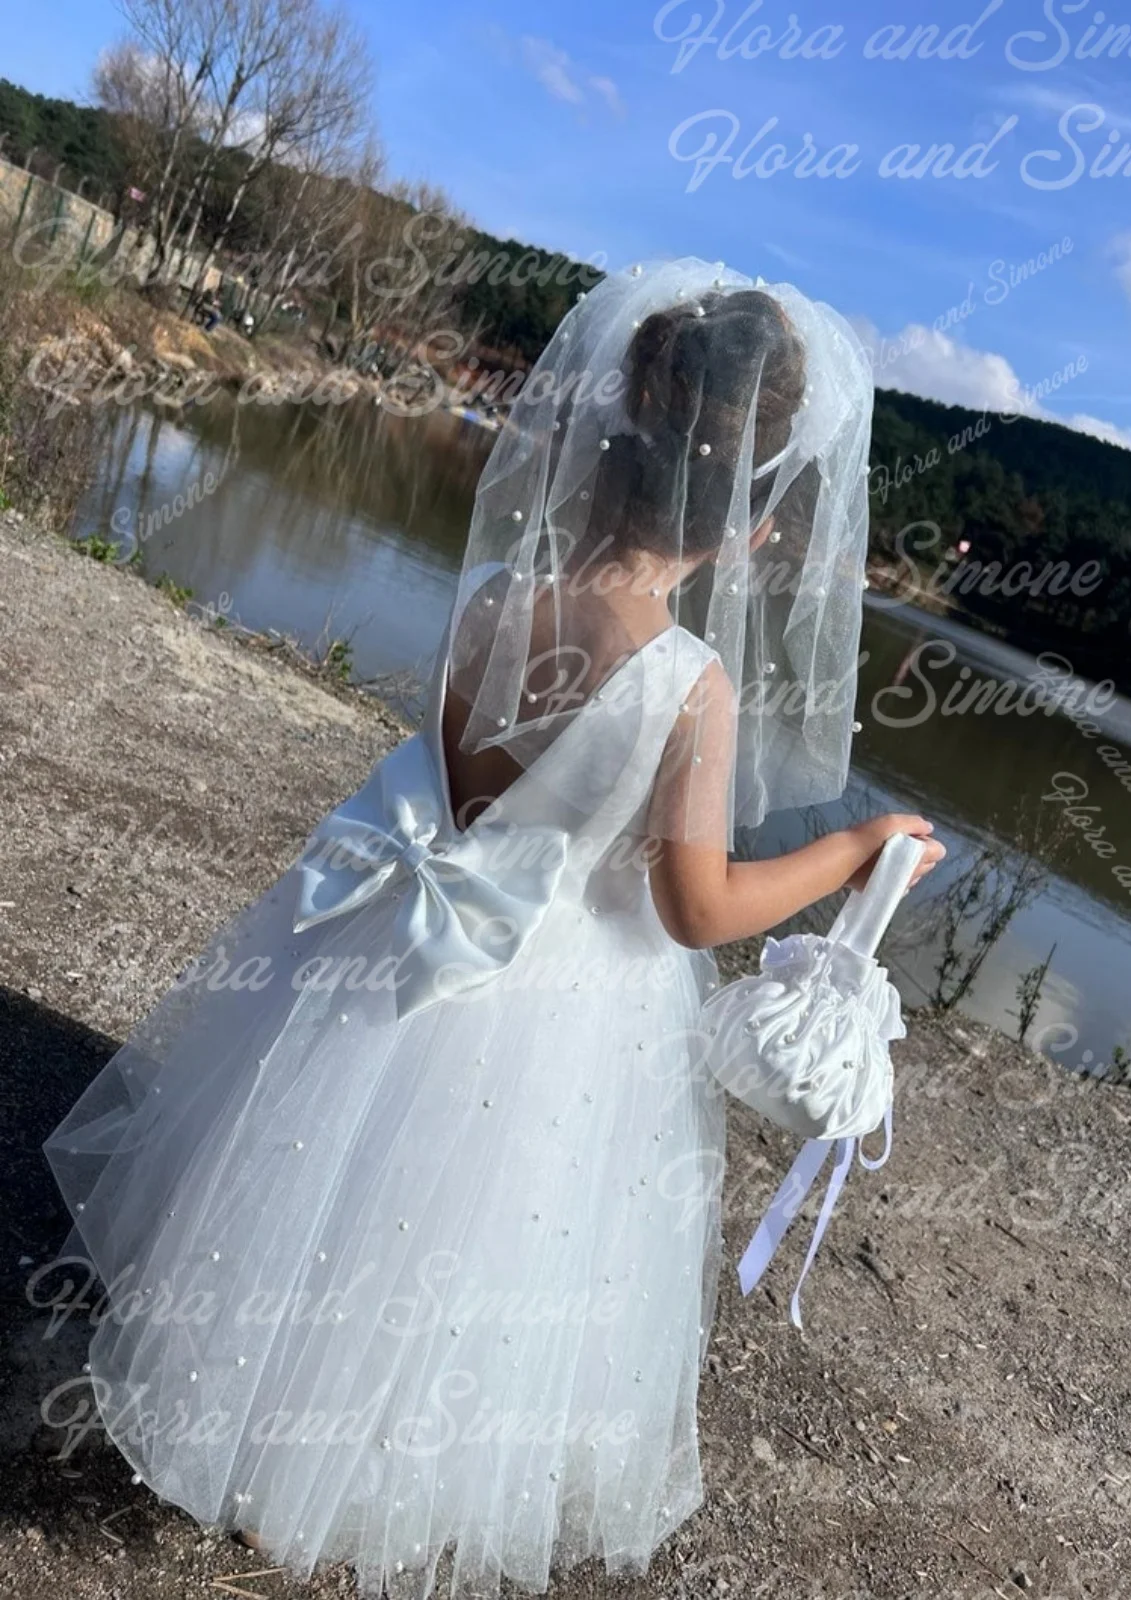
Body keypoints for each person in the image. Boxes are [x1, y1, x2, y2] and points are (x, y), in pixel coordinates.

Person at [44, 259, 942, 1599]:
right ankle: (334, 1473)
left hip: (398, 939)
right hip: (556, 1002)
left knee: (325, 1182)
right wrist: (854, 850)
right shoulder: (687, 682)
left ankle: (246, 1408)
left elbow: (472, 789)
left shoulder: (494, 600)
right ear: (744, 527)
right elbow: (696, 906)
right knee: (458, 1247)